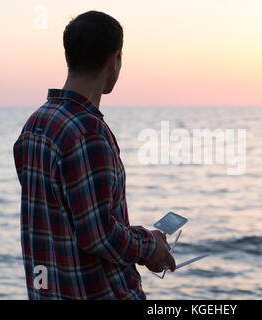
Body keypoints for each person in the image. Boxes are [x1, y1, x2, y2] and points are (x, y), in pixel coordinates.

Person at [13, 10, 175, 300]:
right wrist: (151, 245)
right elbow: (98, 235)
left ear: (70, 56)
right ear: (114, 60)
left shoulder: (35, 124)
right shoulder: (88, 132)